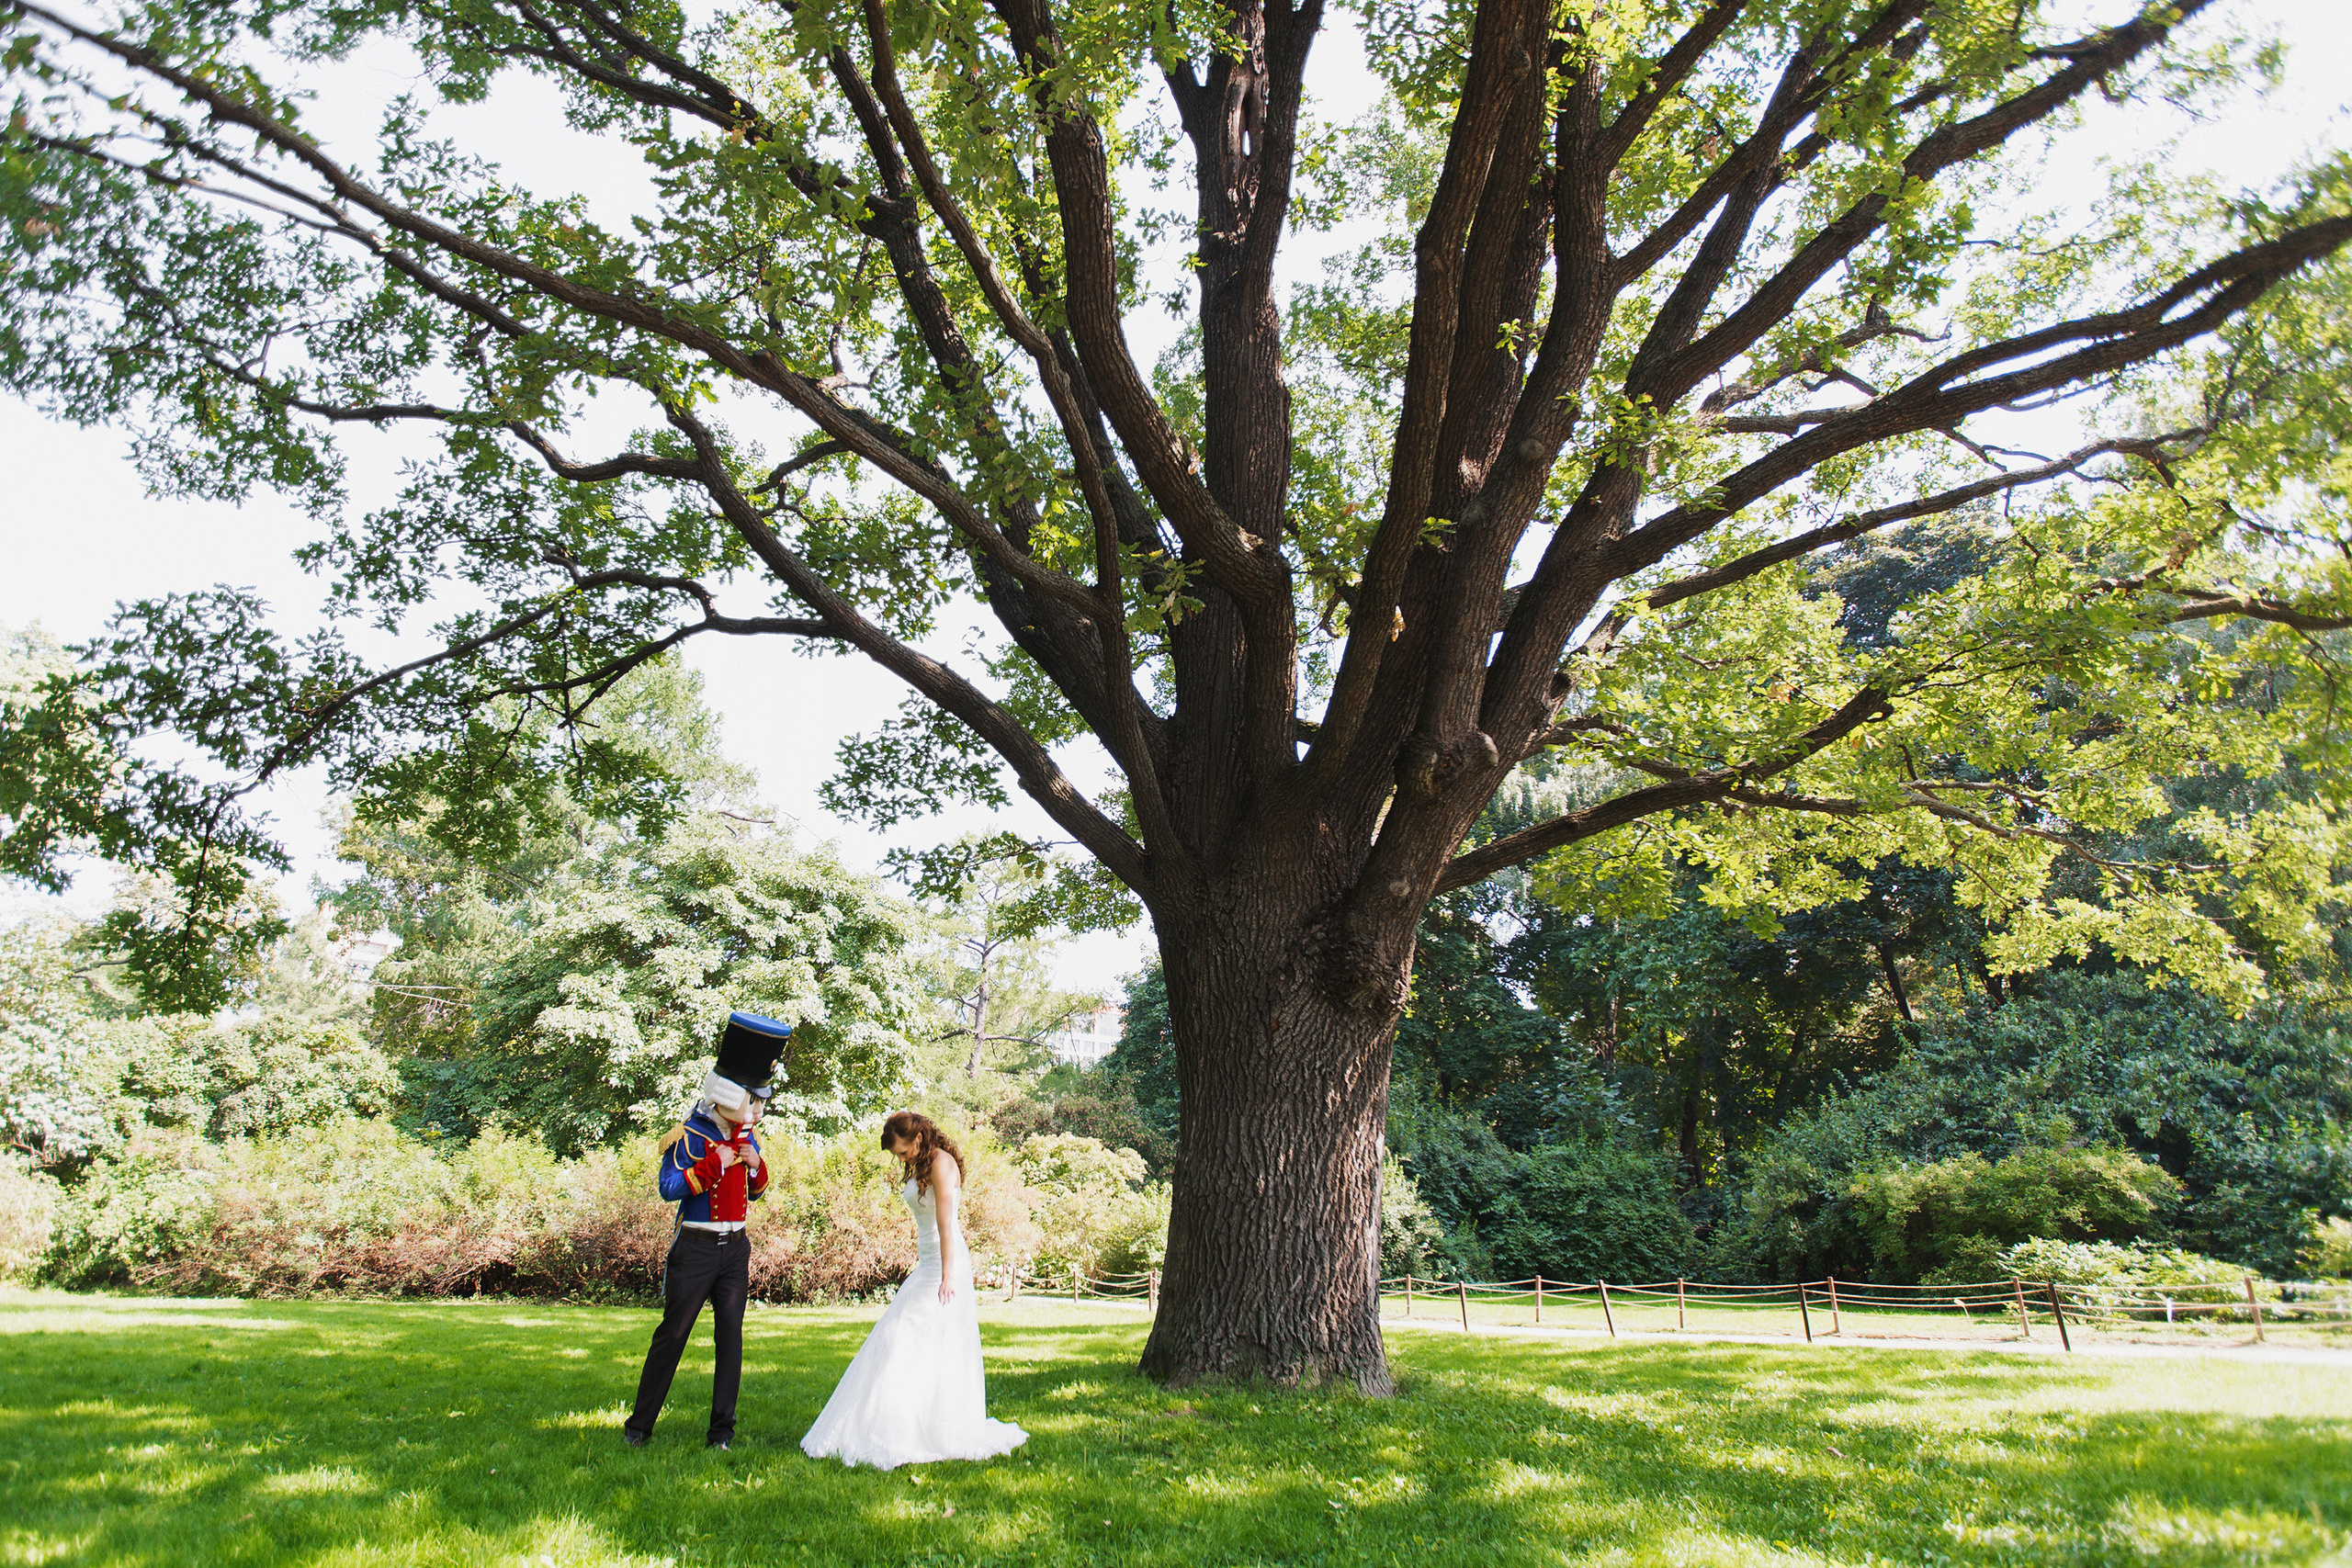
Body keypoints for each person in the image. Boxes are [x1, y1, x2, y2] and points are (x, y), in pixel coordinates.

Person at [799, 1111, 1028, 1469]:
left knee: (906, 1335)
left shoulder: (940, 1164)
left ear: (918, 1140)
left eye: (903, 1153)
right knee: (900, 1339)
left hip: (944, 1265)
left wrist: (948, 1276)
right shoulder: (923, 1163)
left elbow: (946, 1226)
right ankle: (894, 1423)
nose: (901, 1160)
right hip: (929, 1263)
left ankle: (920, 1427)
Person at [623, 1010, 794, 1450]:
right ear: (725, 1095)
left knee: (730, 1339)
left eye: (759, 1102)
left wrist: (757, 1167)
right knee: (673, 1334)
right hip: (696, 1249)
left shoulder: (747, 1139)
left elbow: (754, 1194)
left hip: (736, 1248)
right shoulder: (687, 1136)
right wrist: (710, 1166)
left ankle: (721, 1433)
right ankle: (638, 1428)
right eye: (750, 1100)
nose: (756, 1110)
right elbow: (668, 1189)